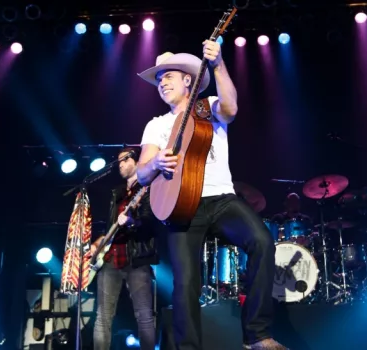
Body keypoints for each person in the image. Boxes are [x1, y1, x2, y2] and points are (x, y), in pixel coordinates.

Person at [135, 42, 287, 349]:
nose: (161, 83)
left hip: (221, 199)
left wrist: (218, 65)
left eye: (168, 76)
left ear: (188, 80)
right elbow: (141, 173)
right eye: (158, 79)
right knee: (187, 282)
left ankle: (257, 335)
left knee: (262, 242)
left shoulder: (208, 107)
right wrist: (155, 163)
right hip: (179, 209)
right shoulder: (156, 125)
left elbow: (231, 109)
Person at [90, 147, 158, 350]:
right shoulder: (116, 193)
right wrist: (97, 244)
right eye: (118, 161)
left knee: (145, 316)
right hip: (111, 258)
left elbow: (150, 221)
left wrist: (131, 222)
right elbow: (109, 226)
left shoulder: (148, 188)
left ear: (136, 162)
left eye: (124, 160)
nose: (119, 164)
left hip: (137, 258)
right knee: (102, 316)